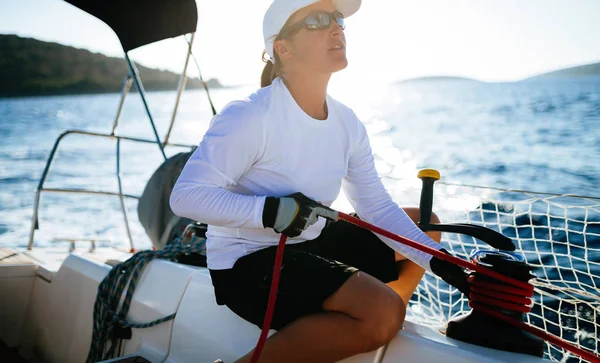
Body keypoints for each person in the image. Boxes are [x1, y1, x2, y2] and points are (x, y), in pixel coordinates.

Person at [170, 0, 467, 362]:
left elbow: (375, 205)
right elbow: (185, 197)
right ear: (283, 48)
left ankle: (361, 330)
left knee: (426, 226)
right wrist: (270, 211)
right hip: (246, 262)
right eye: (318, 20)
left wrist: (441, 262)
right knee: (382, 312)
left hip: (312, 239)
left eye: (339, 20)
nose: (337, 28)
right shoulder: (251, 116)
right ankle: (371, 320)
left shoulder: (347, 122)